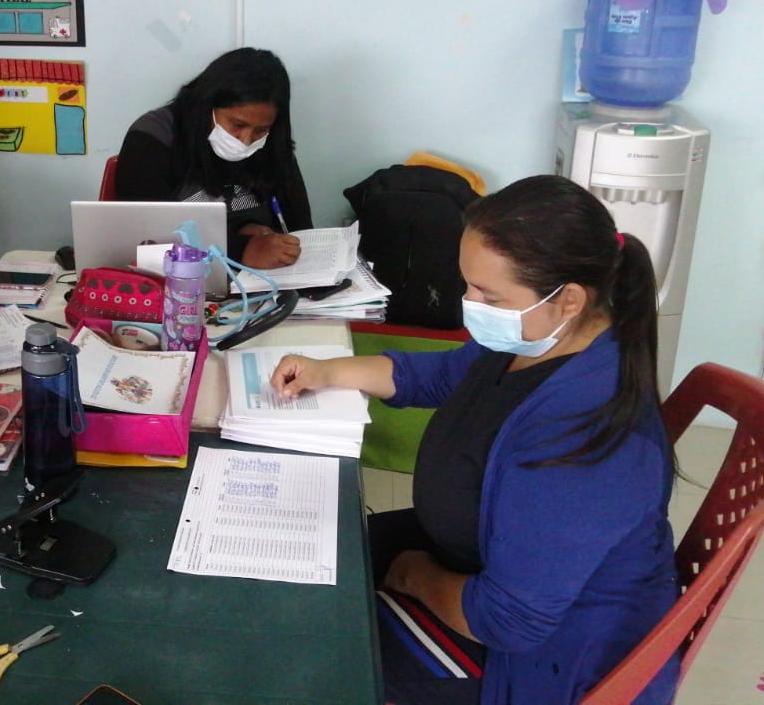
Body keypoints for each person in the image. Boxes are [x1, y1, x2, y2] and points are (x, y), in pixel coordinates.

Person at [270, 175, 678, 705]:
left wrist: (416, 577)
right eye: (468, 284)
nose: (470, 303)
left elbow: (510, 620)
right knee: (293, 563)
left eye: (488, 294)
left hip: (530, 659)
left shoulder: (587, 439)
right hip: (465, 559)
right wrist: (327, 371)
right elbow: (439, 375)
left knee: (298, 655)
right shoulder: (533, 339)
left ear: (569, 300)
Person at [114, 47, 312, 270]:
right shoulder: (154, 136)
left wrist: (257, 232)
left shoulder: (273, 142)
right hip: (179, 279)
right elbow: (146, 240)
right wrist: (243, 248)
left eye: (260, 130)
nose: (246, 140)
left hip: (263, 280)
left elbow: (299, 227)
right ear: (207, 106)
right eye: (237, 125)